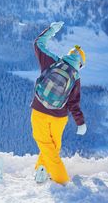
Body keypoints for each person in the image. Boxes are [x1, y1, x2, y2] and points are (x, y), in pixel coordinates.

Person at [31, 21, 86, 185]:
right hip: (59, 118)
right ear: (80, 64)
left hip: (39, 110)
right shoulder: (75, 77)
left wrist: (52, 30)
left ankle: (55, 178)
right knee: (52, 147)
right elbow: (73, 104)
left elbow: (38, 44)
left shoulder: (53, 62)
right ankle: (54, 176)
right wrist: (80, 122)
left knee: (46, 146)